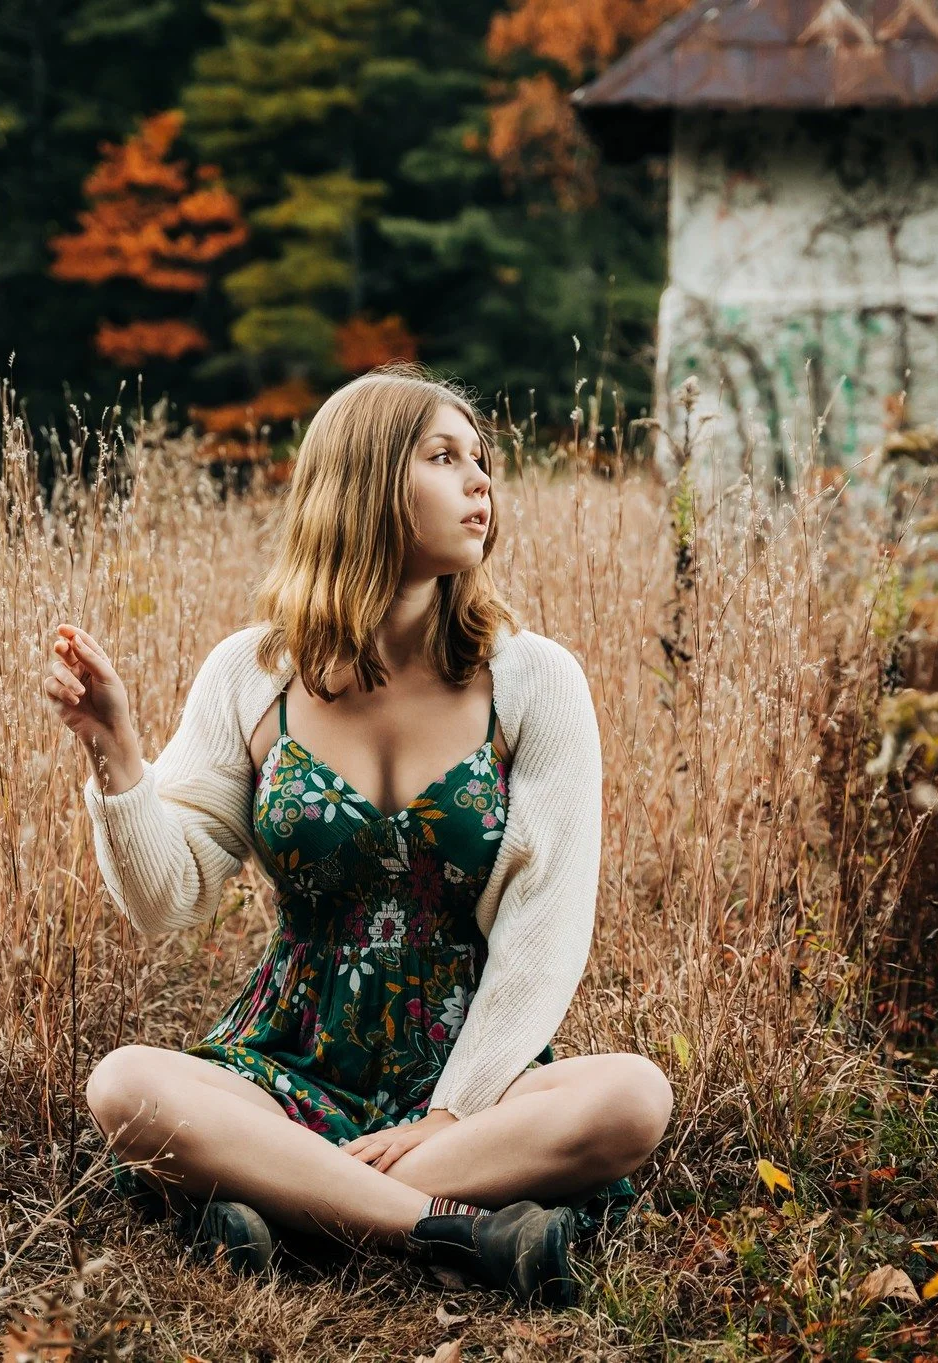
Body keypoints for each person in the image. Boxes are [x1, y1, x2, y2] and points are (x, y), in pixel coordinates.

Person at [42, 365, 672, 1305]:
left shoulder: (535, 679)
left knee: (632, 1096)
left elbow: (545, 933)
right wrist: (118, 760)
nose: (480, 483)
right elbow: (167, 900)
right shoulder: (251, 674)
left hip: (475, 1079)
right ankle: (453, 1227)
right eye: (444, 456)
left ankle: (290, 1198)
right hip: (287, 1058)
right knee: (125, 1084)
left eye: (483, 461)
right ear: (368, 482)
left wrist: (454, 1108)